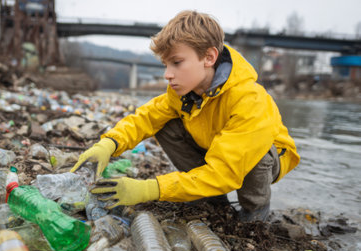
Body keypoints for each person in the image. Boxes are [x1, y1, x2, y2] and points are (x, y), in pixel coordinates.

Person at [71, 10, 300, 222]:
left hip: (262, 158)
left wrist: (149, 189)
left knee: (256, 154)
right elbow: (146, 117)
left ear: (209, 57)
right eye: (166, 64)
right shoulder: (182, 93)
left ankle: (255, 210)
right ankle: (213, 200)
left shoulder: (250, 100)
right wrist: (109, 144)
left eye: (177, 63)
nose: (167, 75)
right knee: (163, 122)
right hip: (214, 146)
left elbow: (224, 172)